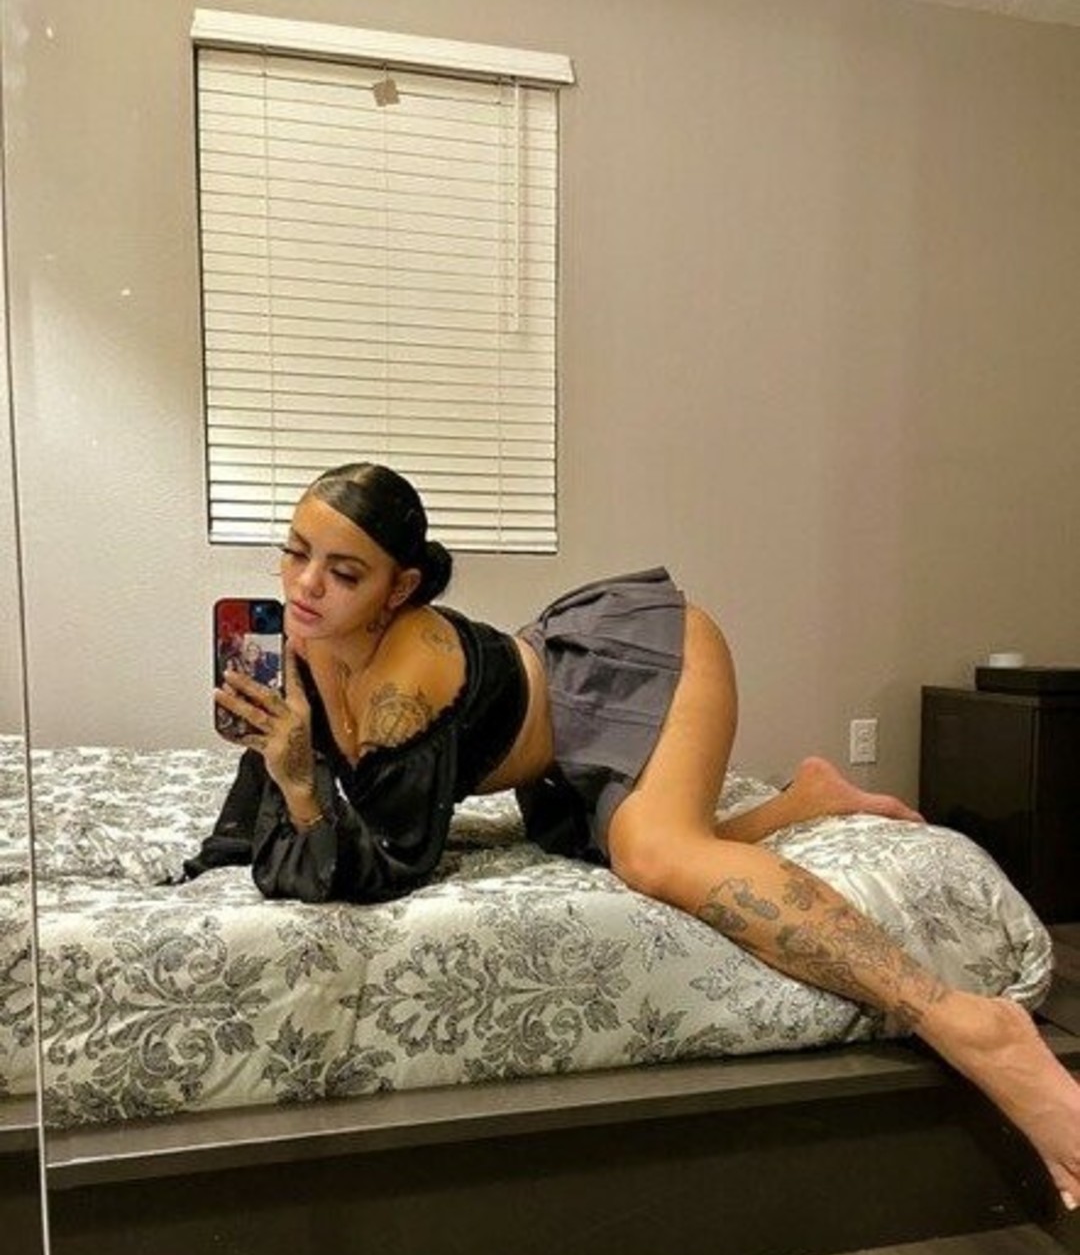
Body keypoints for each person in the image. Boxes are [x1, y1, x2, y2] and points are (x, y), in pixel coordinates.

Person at [199, 460, 1080, 1214]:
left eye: (343, 572)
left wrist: (301, 782)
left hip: (645, 660)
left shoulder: (409, 673)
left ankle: (965, 1020)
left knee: (654, 853)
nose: (305, 586)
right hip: (556, 693)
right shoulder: (304, 644)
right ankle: (805, 799)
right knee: (624, 838)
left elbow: (384, 864)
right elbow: (280, 803)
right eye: (296, 552)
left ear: (400, 589)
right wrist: (269, 779)